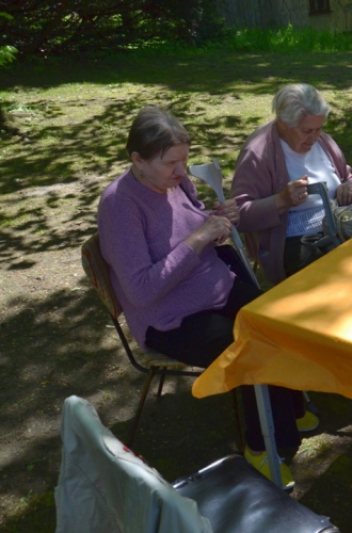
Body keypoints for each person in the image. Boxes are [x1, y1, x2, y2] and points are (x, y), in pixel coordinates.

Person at [97, 105, 315, 488]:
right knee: (252, 348)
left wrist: (216, 218)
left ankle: (288, 408)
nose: (182, 172)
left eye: (185, 160)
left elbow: (191, 219)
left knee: (277, 320)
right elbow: (141, 290)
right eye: (171, 163)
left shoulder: (176, 181)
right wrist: (198, 237)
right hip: (170, 317)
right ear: (137, 160)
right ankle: (262, 447)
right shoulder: (119, 205)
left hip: (213, 285)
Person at [232, 83, 352, 286]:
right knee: (332, 278)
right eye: (307, 131)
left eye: (319, 129)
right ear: (283, 124)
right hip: (291, 238)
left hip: (338, 223)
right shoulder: (258, 153)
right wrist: (281, 200)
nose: (314, 138)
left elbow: (347, 176)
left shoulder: (323, 141)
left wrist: (349, 186)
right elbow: (240, 215)